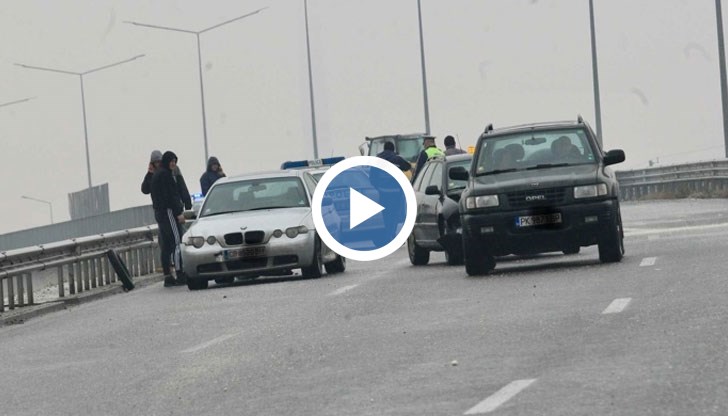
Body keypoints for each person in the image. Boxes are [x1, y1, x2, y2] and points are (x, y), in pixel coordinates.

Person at [151, 151, 187, 287]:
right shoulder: (166, 175)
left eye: (175, 161)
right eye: (171, 161)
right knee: (177, 242)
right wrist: (178, 212)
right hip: (169, 212)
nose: (173, 164)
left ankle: (168, 275)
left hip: (160, 213)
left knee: (166, 245)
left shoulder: (157, 174)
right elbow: (171, 195)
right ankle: (180, 272)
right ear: (167, 162)